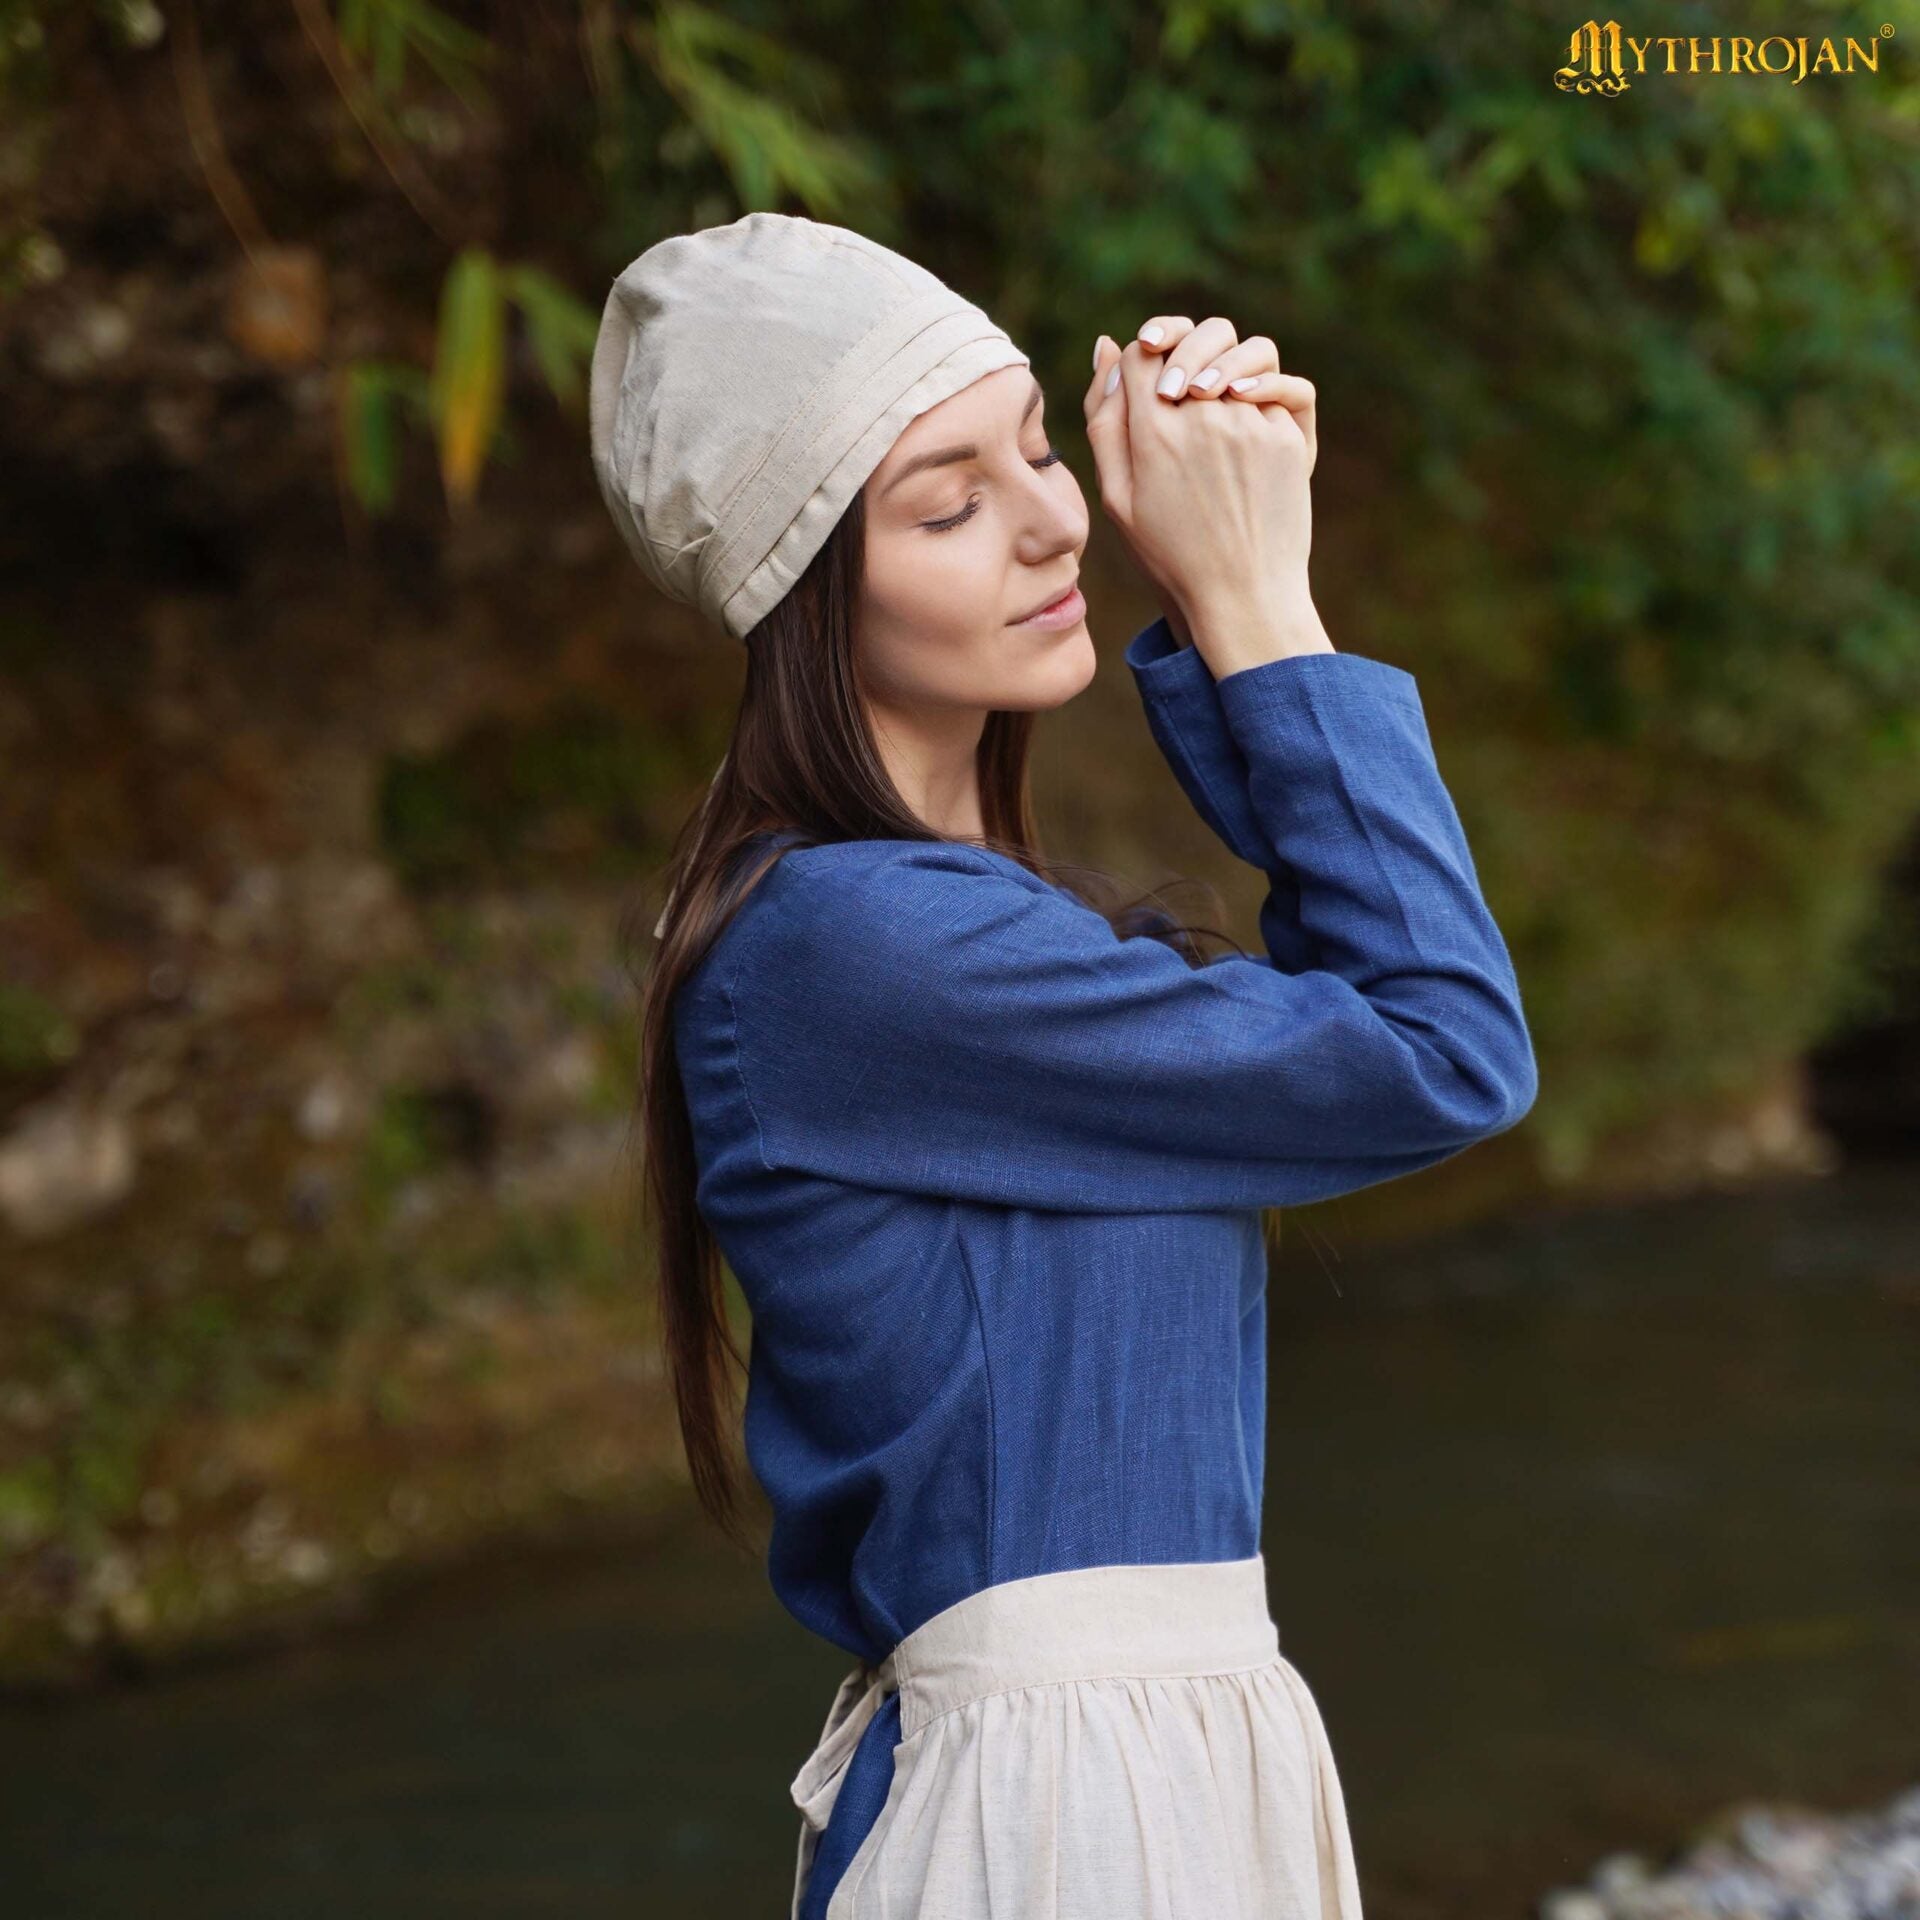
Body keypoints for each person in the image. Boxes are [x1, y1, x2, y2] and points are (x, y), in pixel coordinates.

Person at [589, 211, 1537, 1920]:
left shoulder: (971, 934)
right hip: (1050, 1820)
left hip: (1172, 1764)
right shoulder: (848, 946)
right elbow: (1441, 1051)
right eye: (946, 504)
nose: (1052, 520)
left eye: (1037, 445)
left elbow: (1403, 1032)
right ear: (805, 592)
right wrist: (1251, 598)